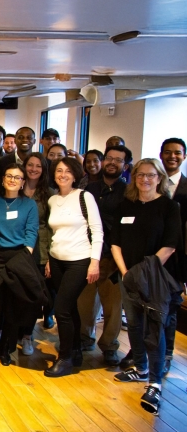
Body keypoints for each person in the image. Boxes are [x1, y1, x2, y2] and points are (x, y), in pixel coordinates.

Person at [110, 159, 182, 416]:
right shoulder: (126, 205)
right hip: (128, 276)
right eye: (140, 175)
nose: (145, 179)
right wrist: (126, 273)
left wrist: (142, 273)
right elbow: (115, 242)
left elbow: (171, 244)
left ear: (159, 178)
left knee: (155, 330)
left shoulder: (169, 206)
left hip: (155, 279)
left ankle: (155, 382)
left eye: (151, 175)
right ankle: (139, 367)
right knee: (135, 325)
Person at [43, 158, 103, 377]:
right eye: (59, 170)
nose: (63, 174)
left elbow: (97, 231)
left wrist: (94, 262)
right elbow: (55, 233)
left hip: (80, 260)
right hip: (57, 260)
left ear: (76, 174)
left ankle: (65, 358)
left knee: (62, 308)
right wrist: (50, 258)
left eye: (68, 171)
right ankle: (76, 350)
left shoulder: (84, 197)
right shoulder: (53, 199)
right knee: (69, 308)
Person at [0, 164, 38, 371]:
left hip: (20, 256)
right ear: (3, 179)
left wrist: (24, 257)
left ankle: (7, 349)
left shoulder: (29, 204)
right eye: (9, 176)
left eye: (17, 177)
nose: (13, 180)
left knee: (13, 306)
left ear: (23, 182)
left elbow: (31, 232)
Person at [78, 146, 131, 366]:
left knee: (113, 305)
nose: (112, 162)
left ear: (125, 166)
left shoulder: (129, 192)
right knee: (85, 302)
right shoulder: (89, 188)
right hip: (87, 253)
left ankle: (109, 345)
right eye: (109, 158)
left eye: (118, 160)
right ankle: (84, 337)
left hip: (113, 256)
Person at [17, 153, 55, 353]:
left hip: (39, 249)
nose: (33, 169)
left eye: (38, 166)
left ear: (44, 169)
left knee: (33, 294)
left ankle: (27, 335)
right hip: (14, 246)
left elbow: (51, 227)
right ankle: (13, 330)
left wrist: (49, 257)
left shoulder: (49, 194)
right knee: (15, 293)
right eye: (30, 165)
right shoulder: (15, 187)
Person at [158, 138, 187, 375]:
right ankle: (141, 350)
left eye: (177, 153)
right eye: (168, 152)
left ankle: (166, 353)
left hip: (177, 261)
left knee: (170, 309)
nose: (172, 157)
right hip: (152, 257)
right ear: (161, 155)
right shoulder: (152, 185)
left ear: (184, 156)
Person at [0, 126, 36, 197]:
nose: (25, 140)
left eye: (29, 138)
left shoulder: (39, 162)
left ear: (34, 141)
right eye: (21, 137)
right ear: (15, 140)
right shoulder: (1, 162)